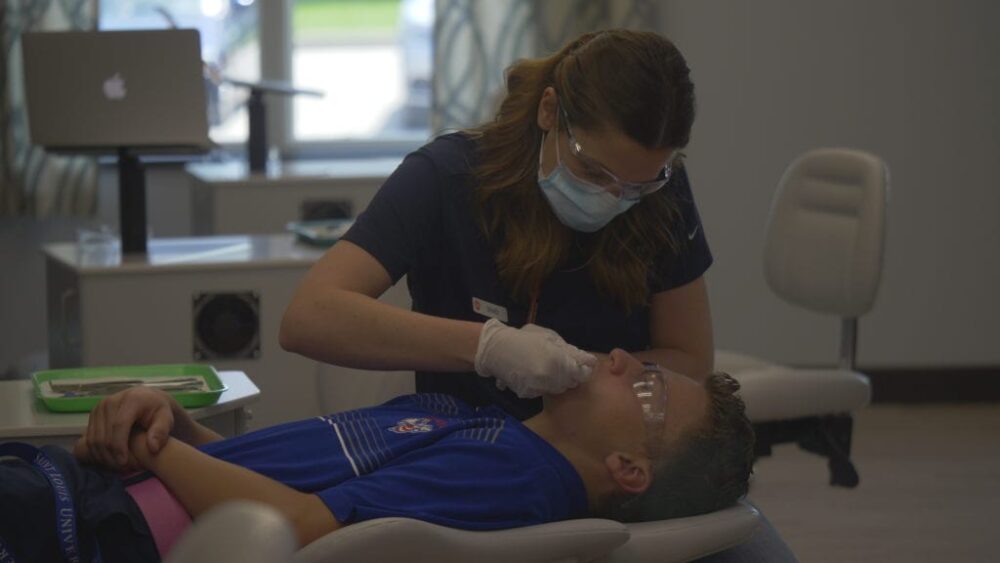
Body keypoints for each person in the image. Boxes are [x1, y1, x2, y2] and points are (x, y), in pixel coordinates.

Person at [279, 28, 797, 561]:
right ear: (550, 112)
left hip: (601, 477)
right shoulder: (448, 178)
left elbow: (689, 357)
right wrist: (490, 346)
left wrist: (588, 374)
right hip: (478, 463)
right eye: (594, 171)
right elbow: (309, 317)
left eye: (637, 186)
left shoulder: (662, 193)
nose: (615, 198)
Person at [0, 351, 753, 563]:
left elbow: (297, 527)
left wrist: (155, 449)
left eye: (648, 387)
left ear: (629, 468)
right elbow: (272, 482)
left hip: (101, 527)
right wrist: (180, 428)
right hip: (104, 492)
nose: (621, 358)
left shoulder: (520, 474)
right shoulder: (482, 423)